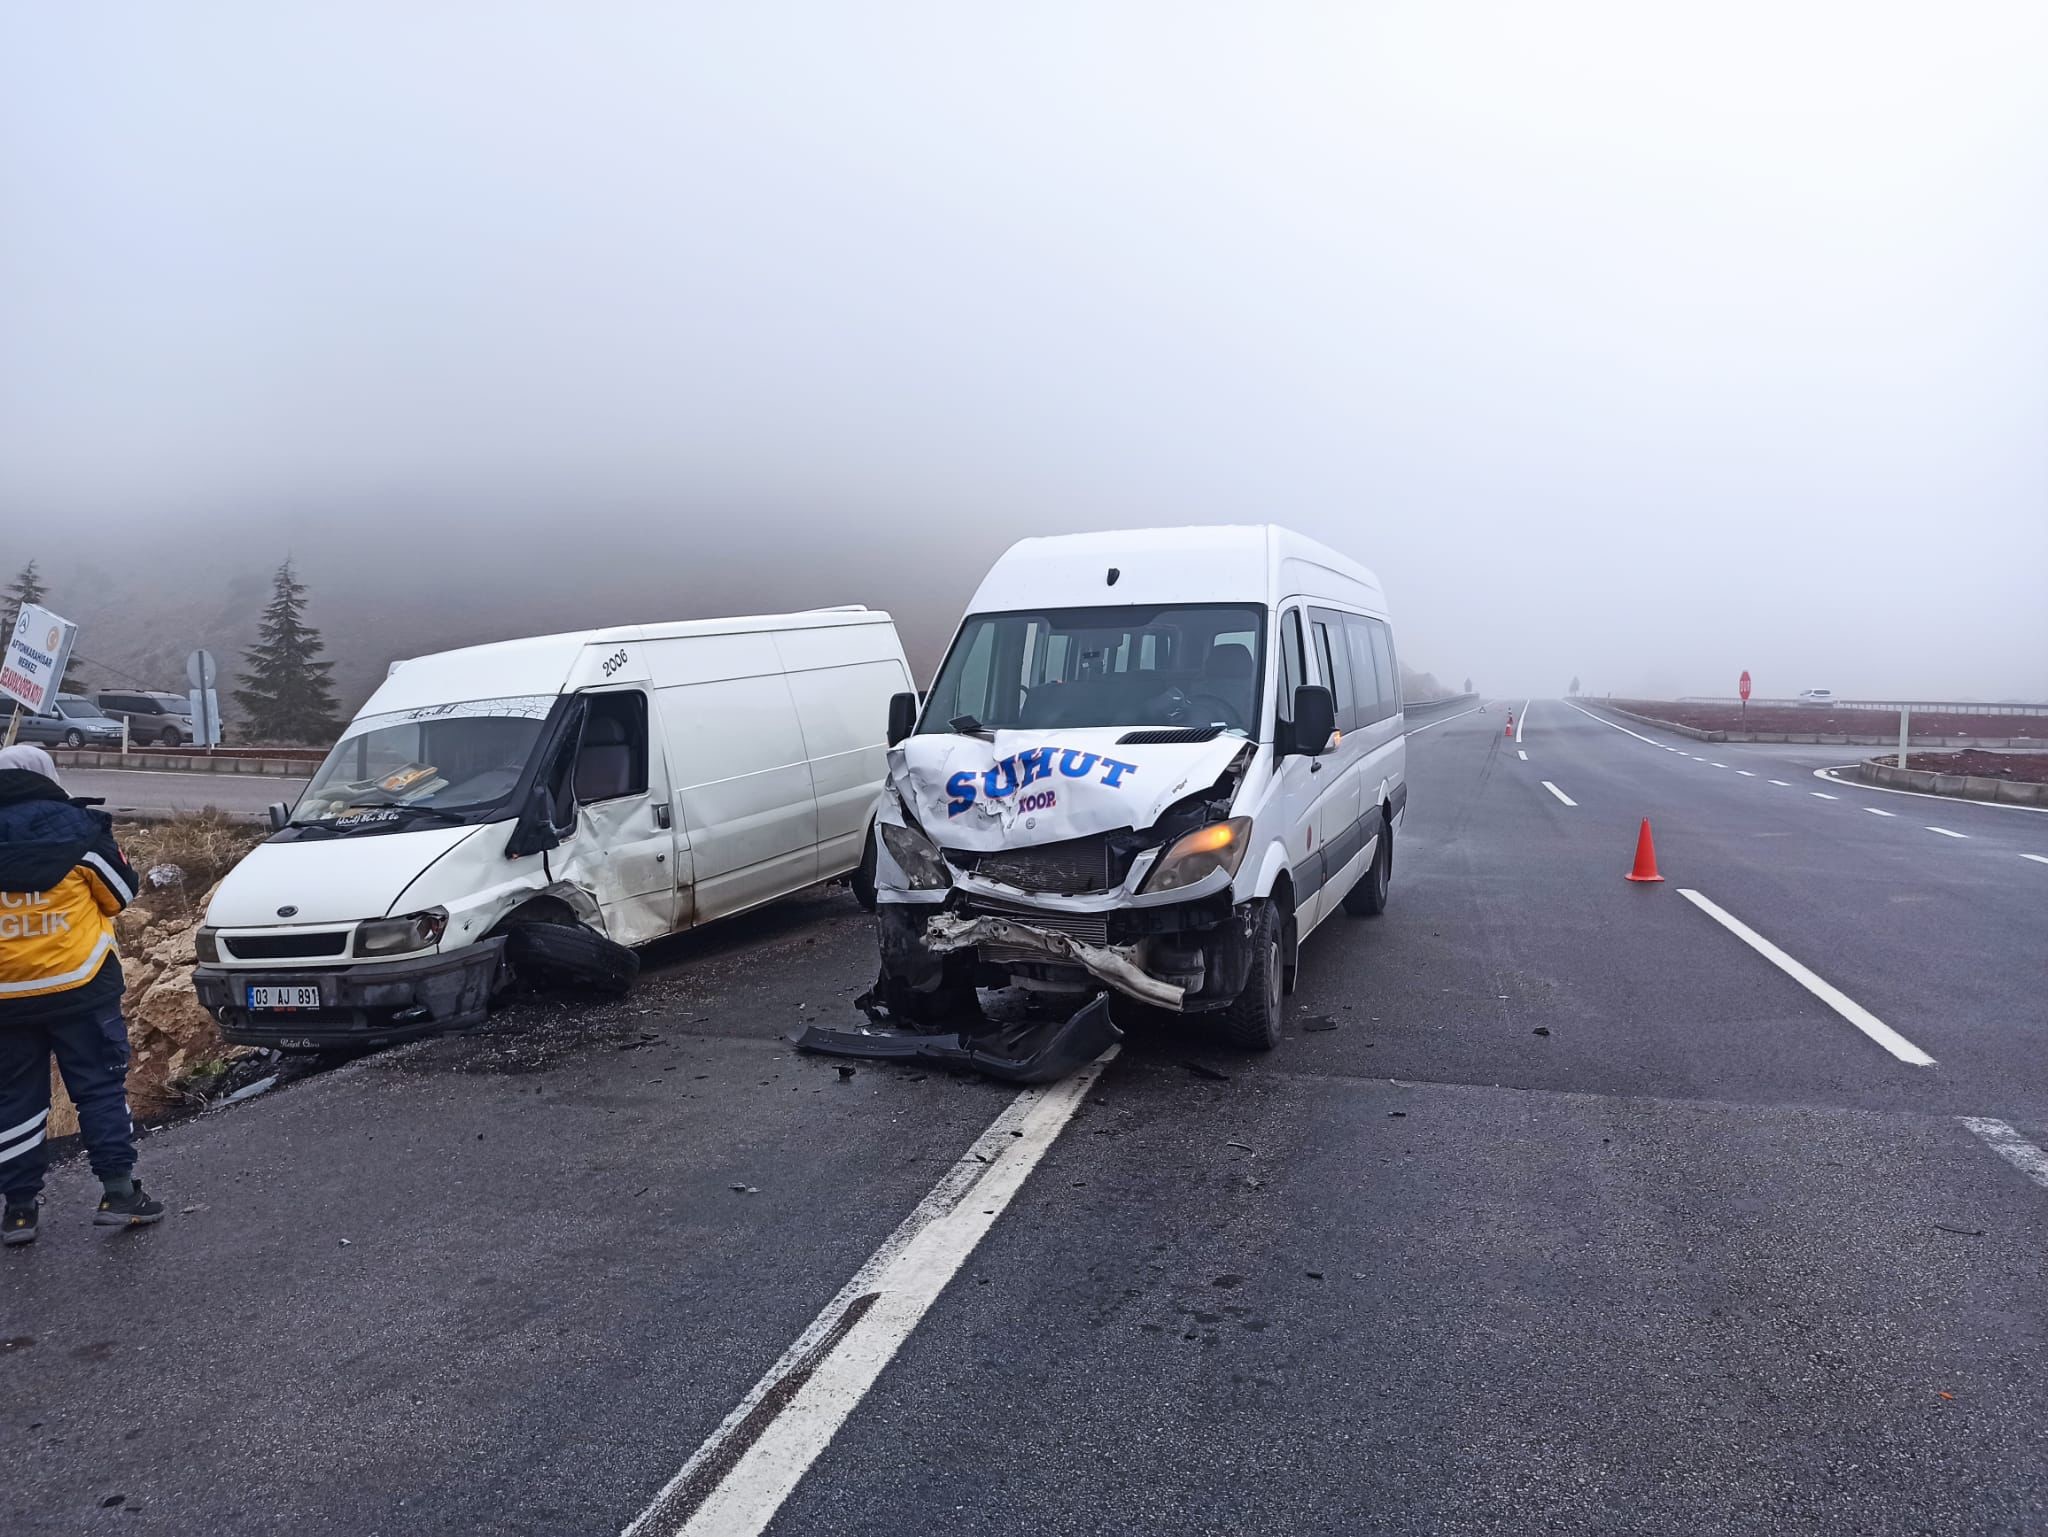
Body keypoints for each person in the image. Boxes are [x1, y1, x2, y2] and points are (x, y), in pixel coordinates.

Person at [0, 743, 162, 1245]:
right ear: (47, 774)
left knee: (15, 1099)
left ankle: (20, 1211)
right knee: (97, 1088)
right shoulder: (82, 829)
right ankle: (118, 1191)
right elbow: (119, 896)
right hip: (80, 983)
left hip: (6, 995)